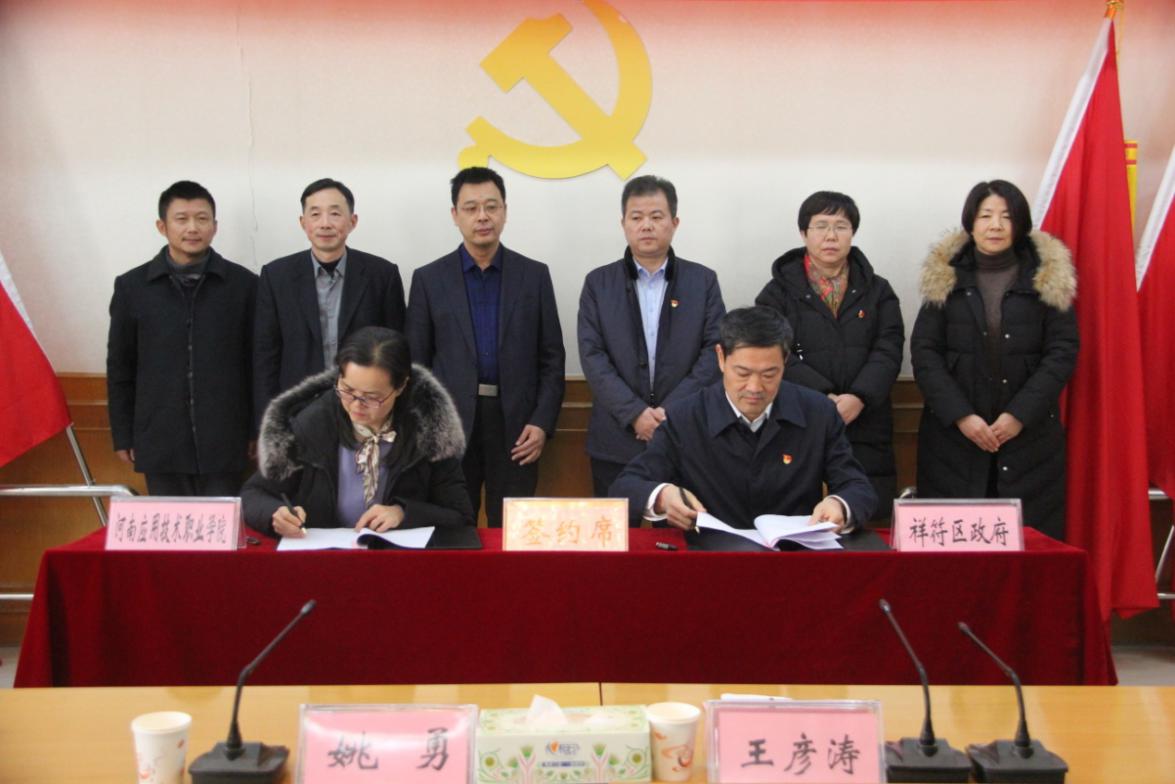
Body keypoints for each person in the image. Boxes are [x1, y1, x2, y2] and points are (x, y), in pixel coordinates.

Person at [910, 179, 1077, 541]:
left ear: (1020, 224)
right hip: (954, 441)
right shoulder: (945, 277)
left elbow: (1062, 352)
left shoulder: (1047, 278)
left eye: (1006, 216)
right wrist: (962, 416)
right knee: (956, 554)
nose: (996, 225)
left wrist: (1019, 415)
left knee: (1028, 550)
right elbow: (925, 352)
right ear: (971, 223)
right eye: (986, 216)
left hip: (1030, 440)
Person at [611, 306, 876, 531]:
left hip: (792, 558)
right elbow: (625, 486)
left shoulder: (818, 413)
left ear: (785, 361)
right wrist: (662, 496)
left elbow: (857, 487)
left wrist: (839, 504)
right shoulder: (686, 417)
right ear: (721, 358)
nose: (754, 387)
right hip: (709, 560)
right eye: (743, 373)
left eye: (769, 374)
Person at [406, 167, 565, 527]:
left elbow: (552, 359)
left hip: (517, 427)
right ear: (455, 214)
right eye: (471, 208)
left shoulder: (534, 276)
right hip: (451, 426)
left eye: (491, 207)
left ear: (504, 212)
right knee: (452, 527)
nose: (482, 216)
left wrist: (541, 423)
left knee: (512, 529)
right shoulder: (429, 279)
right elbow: (416, 367)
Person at [578, 175, 725, 512]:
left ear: (674, 223)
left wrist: (669, 413)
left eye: (656, 216)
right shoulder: (598, 283)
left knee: (683, 532)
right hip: (615, 438)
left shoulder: (702, 281)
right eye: (637, 217)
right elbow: (592, 356)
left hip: (684, 435)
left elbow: (714, 352)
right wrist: (635, 414)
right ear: (623, 224)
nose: (646, 225)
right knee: (616, 536)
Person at [755, 191, 903, 521]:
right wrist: (823, 398)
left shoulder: (878, 290)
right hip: (798, 417)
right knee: (797, 520)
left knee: (864, 516)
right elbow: (773, 353)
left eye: (841, 226)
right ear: (804, 233)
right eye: (821, 226)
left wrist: (859, 397)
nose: (831, 236)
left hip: (866, 419)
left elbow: (889, 348)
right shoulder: (776, 293)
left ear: (853, 233)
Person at [242, 326, 473, 536]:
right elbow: (254, 494)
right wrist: (275, 513)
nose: (356, 405)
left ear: (401, 386)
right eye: (347, 390)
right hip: (326, 558)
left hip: (399, 560)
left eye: (371, 397)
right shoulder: (313, 424)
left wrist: (403, 513)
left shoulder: (429, 430)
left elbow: (460, 515)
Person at [106, 180, 257, 496]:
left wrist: (259, 429)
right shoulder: (132, 287)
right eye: (181, 219)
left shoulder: (244, 285)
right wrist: (123, 433)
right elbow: (120, 366)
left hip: (227, 439)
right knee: (170, 526)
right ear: (162, 226)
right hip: (159, 439)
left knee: (228, 525)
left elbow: (257, 364)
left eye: (202, 219)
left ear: (214, 226)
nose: (192, 228)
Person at [253, 178, 405, 424]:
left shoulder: (382, 275)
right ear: (303, 223)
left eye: (335, 213)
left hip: (366, 410)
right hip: (298, 412)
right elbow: (265, 356)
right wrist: (267, 423)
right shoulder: (276, 276)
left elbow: (397, 350)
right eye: (315, 214)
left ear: (352, 221)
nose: (325, 223)